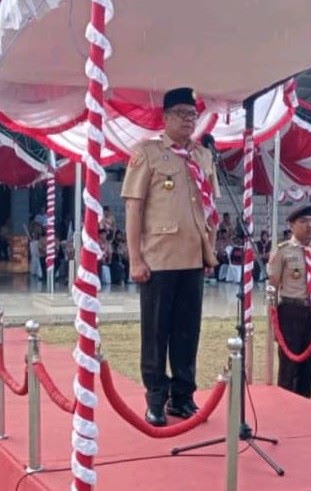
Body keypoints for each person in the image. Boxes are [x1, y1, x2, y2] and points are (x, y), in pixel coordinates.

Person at [121, 87, 219, 427]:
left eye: (193, 115)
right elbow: (134, 209)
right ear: (165, 117)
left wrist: (211, 250)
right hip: (159, 260)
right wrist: (135, 258)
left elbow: (210, 209)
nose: (188, 121)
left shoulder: (202, 156)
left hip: (193, 257)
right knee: (156, 333)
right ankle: (155, 399)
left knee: (187, 332)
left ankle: (183, 397)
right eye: (181, 114)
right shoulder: (147, 154)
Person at [267, 205, 311, 398]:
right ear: (292, 226)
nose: (309, 226)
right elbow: (273, 287)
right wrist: (273, 320)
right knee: (288, 363)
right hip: (290, 310)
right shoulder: (283, 252)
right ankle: (285, 402)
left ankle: (305, 401)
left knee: (309, 364)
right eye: (303, 222)